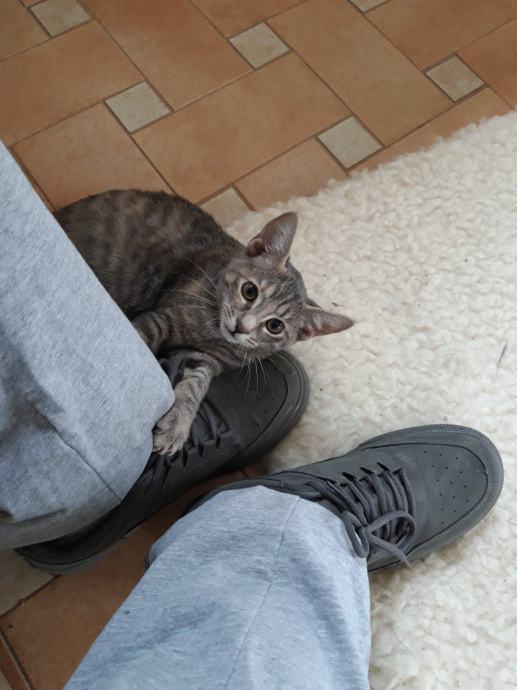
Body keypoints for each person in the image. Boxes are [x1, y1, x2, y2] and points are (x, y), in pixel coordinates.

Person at [0, 144, 503, 689]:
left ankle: (103, 476)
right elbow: (155, 328)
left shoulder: (246, 336)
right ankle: (287, 520)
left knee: (195, 361)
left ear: (301, 335)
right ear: (257, 249)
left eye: (272, 328)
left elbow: (207, 352)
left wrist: (190, 393)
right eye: (249, 294)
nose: (244, 325)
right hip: (81, 266)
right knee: (140, 350)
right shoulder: (205, 285)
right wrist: (169, 394)